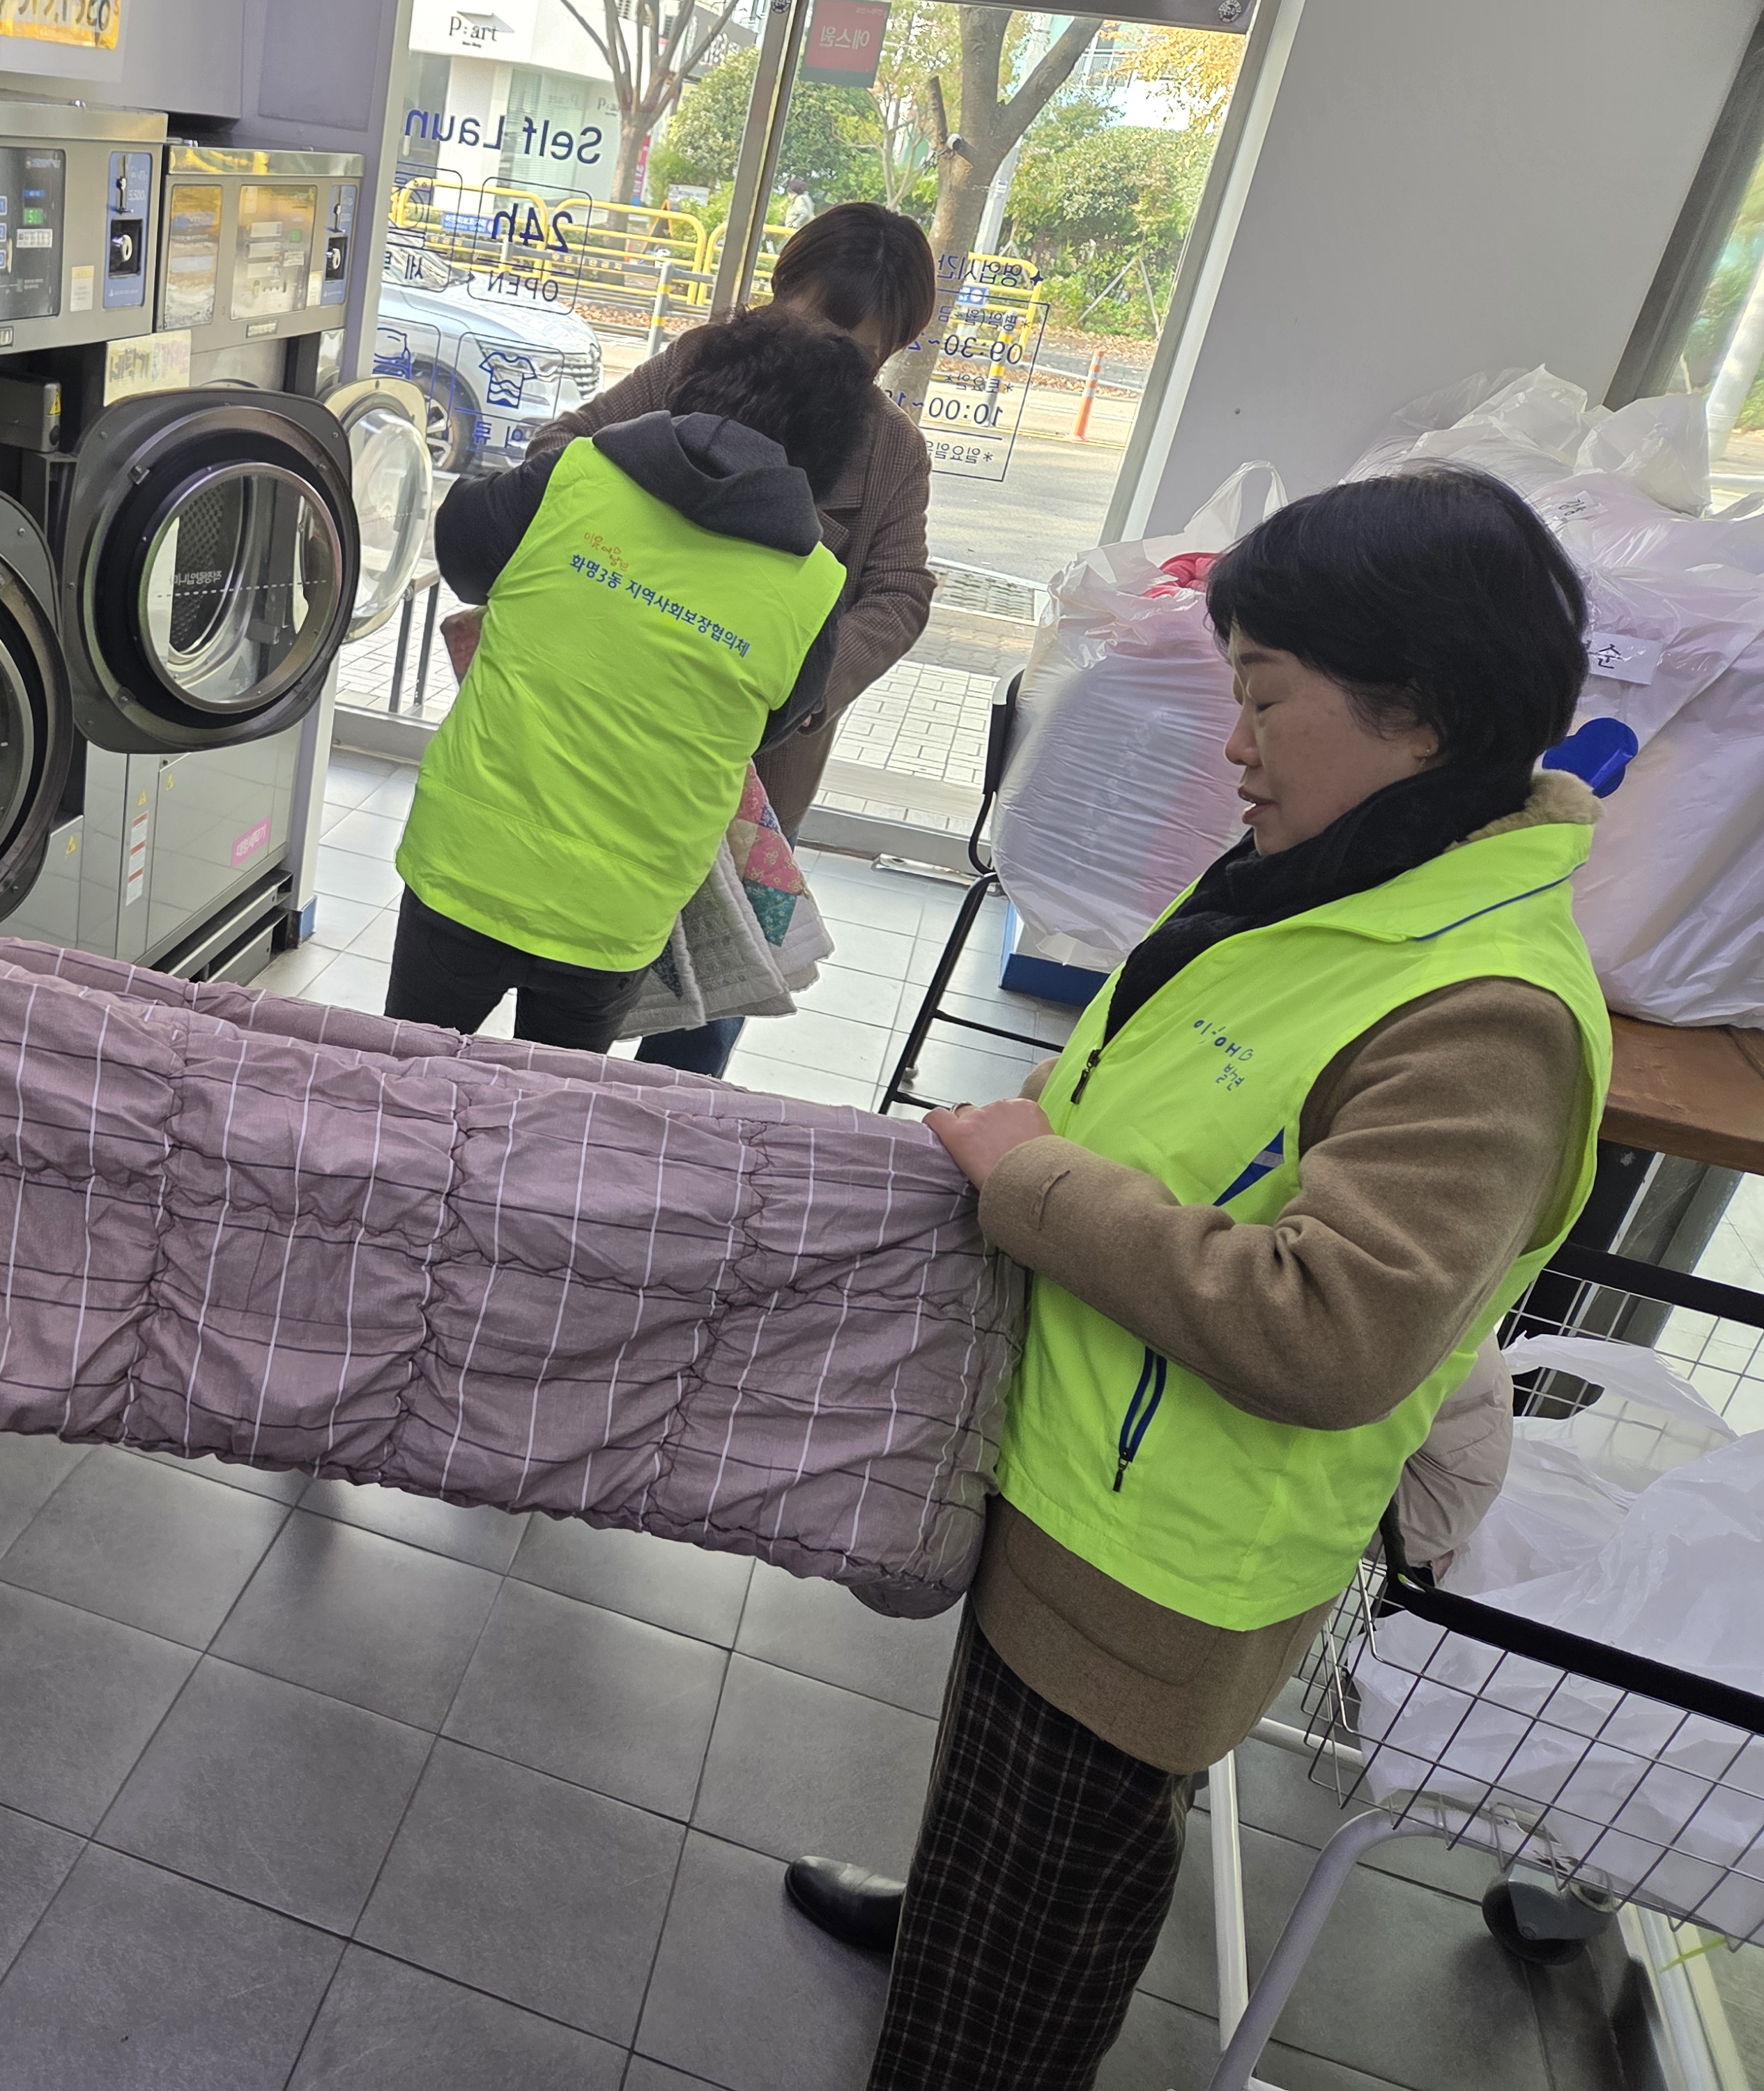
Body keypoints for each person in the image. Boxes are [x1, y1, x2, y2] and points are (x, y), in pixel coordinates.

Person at [782, 467, 1610, 2090]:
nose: (1231, 740)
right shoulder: (1333, 877)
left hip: (1159, 1555)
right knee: (1004, 1812)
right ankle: (948, 1922)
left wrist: (1032, 1179)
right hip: (1075, 1463)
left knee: (1034, 1936)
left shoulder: (1484, 1015)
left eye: (1263, 695)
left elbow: (1330, 1328)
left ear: (1419, 712)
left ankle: (977, 2014)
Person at [526, 199, 941, 1075]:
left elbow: (901, 591)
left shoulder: (892, 450)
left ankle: (659, 1141)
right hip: (605, 724)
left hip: (754, 761)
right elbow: (562, 447)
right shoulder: (694, 365)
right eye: (814, 328)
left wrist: (806, 681)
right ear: (778, 293)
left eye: (862, 353)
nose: (829, 363)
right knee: (561, 965)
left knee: (715, 981)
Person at [384, 307, 866, 1049]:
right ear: (827, 452)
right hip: (616, 912)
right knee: (556, 1104)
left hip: (467, 863)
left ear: (694, 388)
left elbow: (462, 551)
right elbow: (761, 730)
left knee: (402, 1084)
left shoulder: (572, 479)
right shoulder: (814, 590)